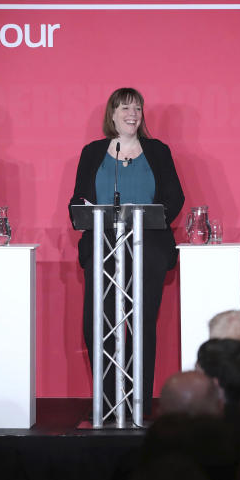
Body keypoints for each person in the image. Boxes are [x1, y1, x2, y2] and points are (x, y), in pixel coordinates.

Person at [70, 87, 184, 416]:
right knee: (99, 323)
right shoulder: (93, 152)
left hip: (147, 245)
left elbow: (175, 197)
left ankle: (138, 403)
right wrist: (82, 209)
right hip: (102, 245)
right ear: (112, 114)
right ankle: (106, 401)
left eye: (137, 108)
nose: (131, 114)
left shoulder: (158, 151)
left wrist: (150, 217)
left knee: (140, 324)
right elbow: (78, 198)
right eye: (124, 108)